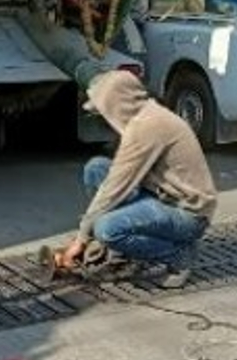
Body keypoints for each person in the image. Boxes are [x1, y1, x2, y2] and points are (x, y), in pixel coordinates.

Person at [28, 20, 217, 288]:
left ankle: (177, 255)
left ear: (116, 104)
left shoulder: (146, 128)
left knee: (108, 228)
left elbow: (115, 187)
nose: (103, 117)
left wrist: (81, 238)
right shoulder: (143, 115)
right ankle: (126, 251)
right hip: (163, 196)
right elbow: (113, 180)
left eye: (103, 109)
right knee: (96, 168)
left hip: (188, 214)